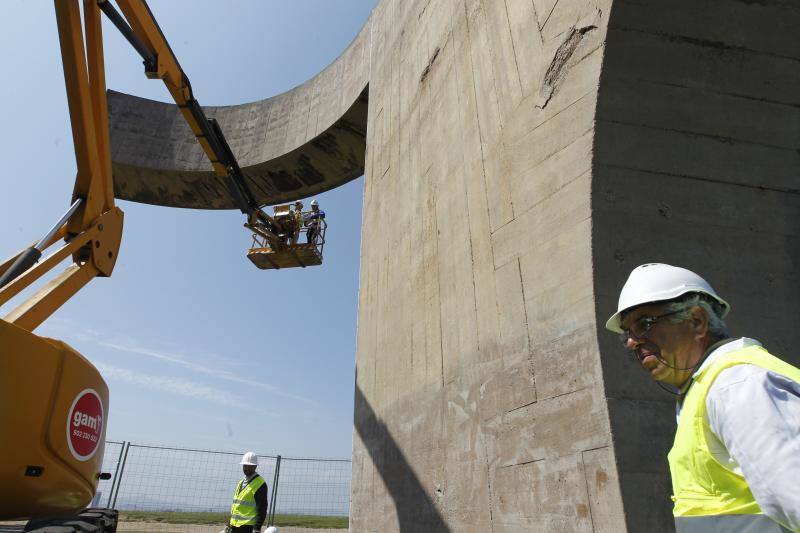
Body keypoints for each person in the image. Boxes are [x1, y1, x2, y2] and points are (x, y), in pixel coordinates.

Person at [606, 263, 800, 532]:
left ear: (697, 321)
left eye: (645, 323)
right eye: (628, 333)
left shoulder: (736, 386)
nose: (632, 342)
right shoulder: (706, 389)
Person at [227, 452, 268, 533]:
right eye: (245, 466)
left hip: (248, 527)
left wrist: (257, 528)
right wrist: (229, 523)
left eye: (250, 466)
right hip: (234, 526)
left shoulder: (260, 484)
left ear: (255, 466)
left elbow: (262, 509)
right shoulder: (241, 483)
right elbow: (236, 507)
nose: (247, 468)